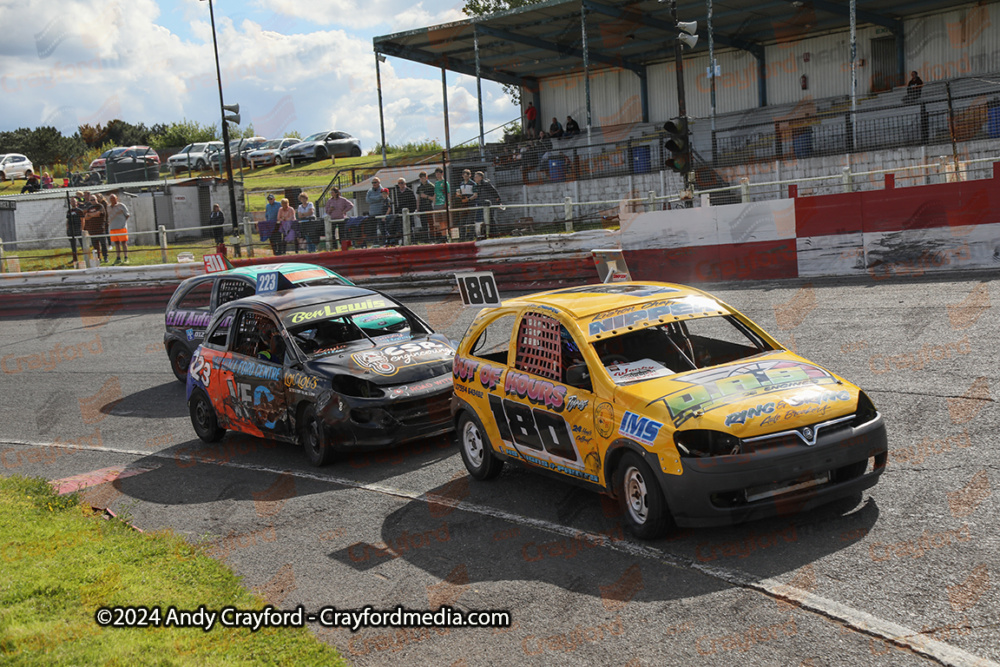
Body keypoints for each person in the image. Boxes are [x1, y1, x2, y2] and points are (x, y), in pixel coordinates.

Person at [473, 171, 501, 238]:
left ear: (480, 177)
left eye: (476, 177)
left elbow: (495, 192)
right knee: (487, 218)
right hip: (483, 204)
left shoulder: (486, 184)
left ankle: (495, 233)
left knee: (490, 218)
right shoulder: (478, 186)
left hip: (489, 204)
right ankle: (490, 233)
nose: (474, 178)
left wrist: (499, 202)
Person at [107, 193, 130, 264]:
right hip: (112, 228)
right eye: (111, 198)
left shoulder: (121, 205)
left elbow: (127, 215)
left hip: (121, 227)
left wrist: (122, 222)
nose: (112, 200)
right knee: (116, 243)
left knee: (123, 242)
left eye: (113, 198)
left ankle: (126, 257)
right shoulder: (108, 207)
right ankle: (118, 257)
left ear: (116, 198)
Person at [455, 169, 477, 240]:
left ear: (470, 175)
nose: (465, 177)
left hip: (471, 204)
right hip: (463, 204)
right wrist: (459, 195)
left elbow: (475, 195)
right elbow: (461, 193)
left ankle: (471, 236)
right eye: (464, 175)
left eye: (467, 175)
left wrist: (468, 199)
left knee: (471, 221)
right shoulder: (461, 184)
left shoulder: (473, 184)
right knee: (462, 221)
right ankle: (462, 237)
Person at [65, 192, 84, 266]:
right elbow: (67, 220)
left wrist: (81, 229)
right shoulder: (69, 211)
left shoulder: (79, 210)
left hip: (78, 229)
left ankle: (87, 257)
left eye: (74, 201)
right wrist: (67, 228)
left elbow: (83, 220)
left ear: (77, 202)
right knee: (73, 245)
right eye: (72, 201)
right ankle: (75, 259)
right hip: (71, 230)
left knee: (83, 244)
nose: (73, 203)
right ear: (70, 203)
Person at [415, 171, 435, 240]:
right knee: (424, 224)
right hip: (421, 207)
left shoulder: (431, 186)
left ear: (426, 178)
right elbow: (418, 199)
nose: (422, 180)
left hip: (428, 206)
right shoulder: (419, 187)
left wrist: (426, 196)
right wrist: (417, 209)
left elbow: (434, 198)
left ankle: (432, 238)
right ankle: (425, 239)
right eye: (421, 178)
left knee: (431, 223)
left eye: (423, 178)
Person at [432, 167, 450, 242]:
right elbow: (435, 194)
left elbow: (448, 193)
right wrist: (434, 202)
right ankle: (443, 235)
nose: (437, 175)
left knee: (444, 221)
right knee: (439, 222)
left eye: (439, 173)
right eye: (436, 174)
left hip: (443, 204)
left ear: (442, 174)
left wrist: (447, 203)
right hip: (437, 204)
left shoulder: (445, 182)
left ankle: (445, 236)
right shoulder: (436, 183)